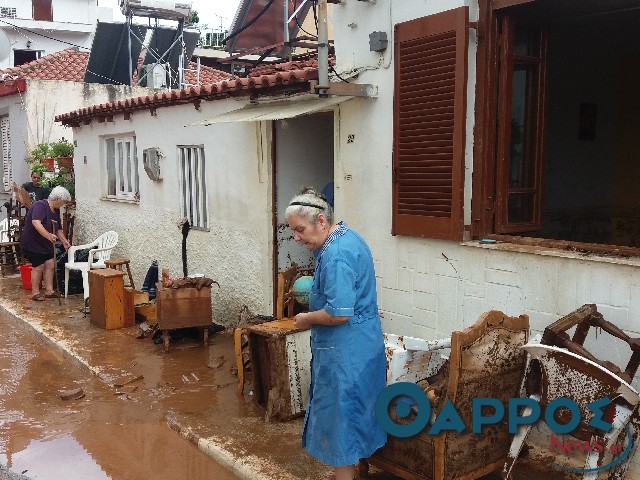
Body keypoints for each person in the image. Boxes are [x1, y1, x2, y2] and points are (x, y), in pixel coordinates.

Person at [285, 186, 386, 480]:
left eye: (300, 229)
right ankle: (352, 471)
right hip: (362, 343)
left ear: (321, 221)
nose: (296, 237)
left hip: (346, 352)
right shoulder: (348, 238)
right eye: (293, 231)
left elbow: (339, 313)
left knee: (342, 419)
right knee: (358, 413)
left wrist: (305, 318)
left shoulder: (336, 256)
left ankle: (345, 475)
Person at [20, 186, 72, 301]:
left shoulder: (56, 209)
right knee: (39, 266)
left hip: (46, 243)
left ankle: (49, 290)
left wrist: (64, 241)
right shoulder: (40, 206)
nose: (63, 204)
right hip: (33, 242)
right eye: (63, 202)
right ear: (58, 199)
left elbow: (57, 228)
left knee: (50, 263)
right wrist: (48, 235)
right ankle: (35, 293)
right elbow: (36, 222)